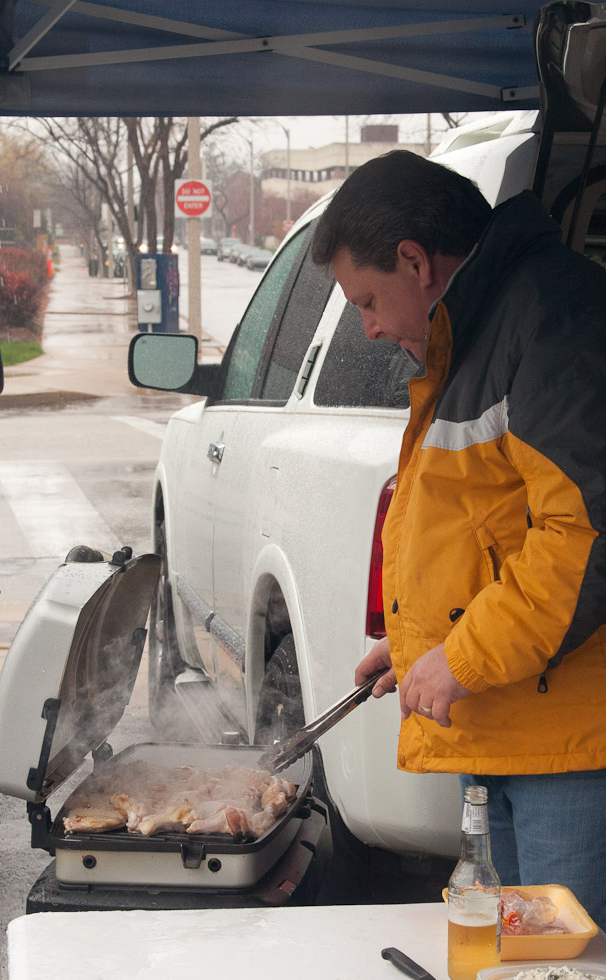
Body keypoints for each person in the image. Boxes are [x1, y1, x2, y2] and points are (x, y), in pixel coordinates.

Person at [311, 150, 606, 928]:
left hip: (564, 748)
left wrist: (464, 655)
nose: (368, 328)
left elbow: (581, 534)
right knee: (517, 957)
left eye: (368, 300)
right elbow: (485, 521)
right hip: (504, 725)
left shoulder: (550, 317)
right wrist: (419, 645)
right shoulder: (471, 327)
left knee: (558, 963)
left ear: (414, 260)